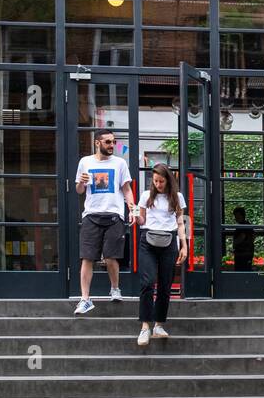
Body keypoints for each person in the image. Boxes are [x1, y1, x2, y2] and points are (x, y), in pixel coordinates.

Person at [74, 128, 136, 315]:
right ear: (97, 143)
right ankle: (85, 299)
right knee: (87, 257)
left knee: (111, 257)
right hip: (91, 215)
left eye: (113, 142)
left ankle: (115, 288)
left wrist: (132, 209)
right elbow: (78, 190)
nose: (112, 145)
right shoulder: (85, 162)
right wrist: (81, 183)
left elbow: (126, 189)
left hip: (114, 215)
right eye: (108, 142)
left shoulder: (120, 163)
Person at [135, 163, 188, 346]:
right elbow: (142, 220)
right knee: (147, 282)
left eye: (161, 181)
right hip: (147, 241)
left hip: (169, 242)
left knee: (165, 286)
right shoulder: (145, 196)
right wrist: (135, 217)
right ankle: (144, 327)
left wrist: (184, 245)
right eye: (155, 180)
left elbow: (181, 223)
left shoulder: (177, 197)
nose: (158, 184)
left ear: (168, 179)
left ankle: (158, 325)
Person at [231, 206, 255, 272]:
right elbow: (253, 237)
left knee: (240, 270)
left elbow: (242, 237)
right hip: (247, 252)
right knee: (246, 269)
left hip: (241, 254)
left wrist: (235, 243)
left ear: (241, 215)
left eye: (236, 216)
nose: (235, 218)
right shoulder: (248, 225)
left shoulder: (241, 226)